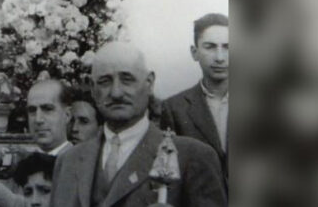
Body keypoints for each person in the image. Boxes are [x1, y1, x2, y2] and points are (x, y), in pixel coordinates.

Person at [51, 42, 226, 207]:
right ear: (93, 88)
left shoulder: (191, 157)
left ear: (149, 83)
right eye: (105, 82)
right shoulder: (69, 161)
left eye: (127, 79)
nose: (116, 93)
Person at [160, 13, 229, 183]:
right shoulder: (174, 108)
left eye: (227, 47)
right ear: (194, 52)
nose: (219, 57)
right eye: (210, 47)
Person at [26, 79, 73, 156]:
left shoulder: (84, 164)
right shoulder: (22, 164)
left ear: (67, 115)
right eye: (32, 110)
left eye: (47, 109)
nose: (38, 119)